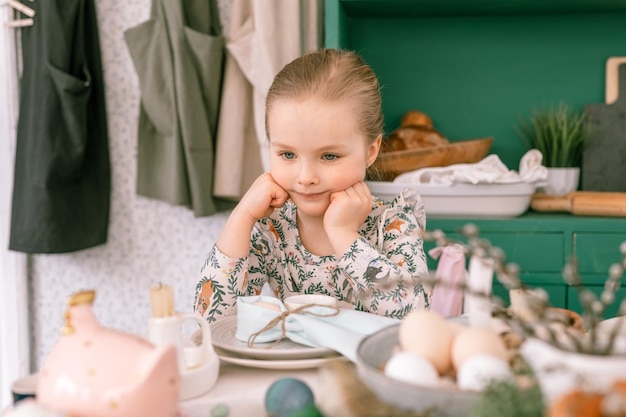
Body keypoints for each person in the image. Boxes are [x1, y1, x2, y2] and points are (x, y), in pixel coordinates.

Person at [194, 48, 430, 322]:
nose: (306, 177)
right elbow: (211, 319)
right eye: (287, 155)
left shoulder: (392, 224)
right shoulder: (273, 228)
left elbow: (415, 314)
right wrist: (241, 216)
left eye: (329, 156)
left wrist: (343, 233)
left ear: (371, 151)